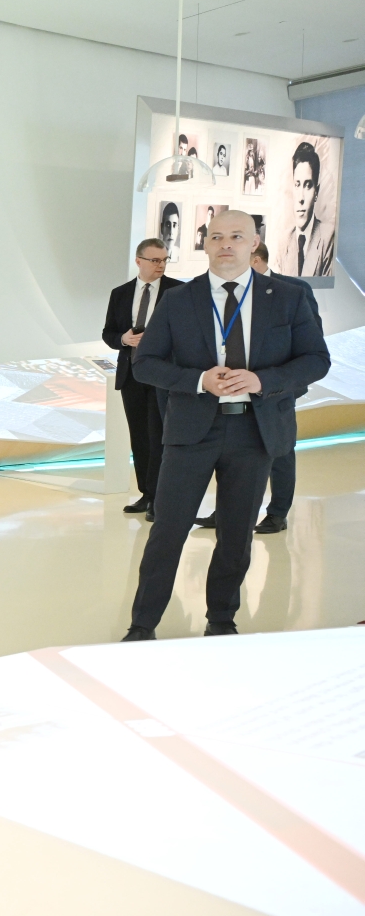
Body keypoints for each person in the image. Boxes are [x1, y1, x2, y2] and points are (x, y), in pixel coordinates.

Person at [122, 211, 329, 641]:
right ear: (205, 244)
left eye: (237, 236)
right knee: (168, 532)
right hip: (191, 432)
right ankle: (142, 625)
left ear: (254, 242)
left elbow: (315, 359)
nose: (226, 244)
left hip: (253, 432)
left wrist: (263, 381)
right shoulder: (178, 300)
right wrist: (198, 380)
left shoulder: (288, 296)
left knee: (236, 535)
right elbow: (146, 364)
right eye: (216, 236)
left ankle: (222, 620)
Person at [195, 242, 323, 534]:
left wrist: (278, 381)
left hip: (275, 391)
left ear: (255, 259)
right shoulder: (220, 291)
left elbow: (312, 346)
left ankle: (277, 513)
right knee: (231, 454)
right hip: (228, 392)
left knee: (279, 451)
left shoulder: (293, 290)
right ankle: (226, 510)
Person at [101, 238, 183, 516]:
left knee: (160, 436)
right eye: (155, 260)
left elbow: (187, 334)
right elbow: (109, 333)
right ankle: (146, 495)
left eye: (164, 260)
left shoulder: (178, 291)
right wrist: (123, 338)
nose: (160, 265)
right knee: (139, 437)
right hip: (132, 375)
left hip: (162, 375)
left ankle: (161, 498)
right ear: (139, 261)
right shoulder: (121, 293)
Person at [276, 142, 336, 277]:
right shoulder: (283, 242)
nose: (301, 198)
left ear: (316, 192)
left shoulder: (328, 238)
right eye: (297, 185)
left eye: (308, 186)